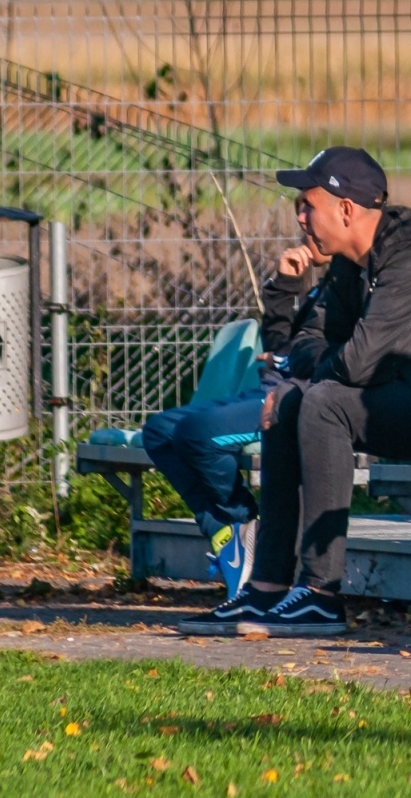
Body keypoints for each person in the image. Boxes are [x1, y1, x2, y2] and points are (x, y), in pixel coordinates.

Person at [177, 147, 411, 638]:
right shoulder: (354, 260)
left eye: (307, 204)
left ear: (346, 208)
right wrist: (302, 372)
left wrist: (310, 372)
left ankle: (320, 594)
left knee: (323, 402)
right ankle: (265, 590)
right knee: (292, 401)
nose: (299, 217)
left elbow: (355, 360)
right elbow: (302, 342)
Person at [141, 234, 329, 598]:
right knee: (159, 430)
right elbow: (277, 346)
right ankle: (226, 532)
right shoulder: (320, 287)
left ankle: (245, 525)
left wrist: (291, 364)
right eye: (300, 213)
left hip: (299, 398)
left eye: (312, 210)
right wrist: (284, 288)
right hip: (267, 389)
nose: (305, 224)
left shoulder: (356, 287)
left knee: (198, 433)